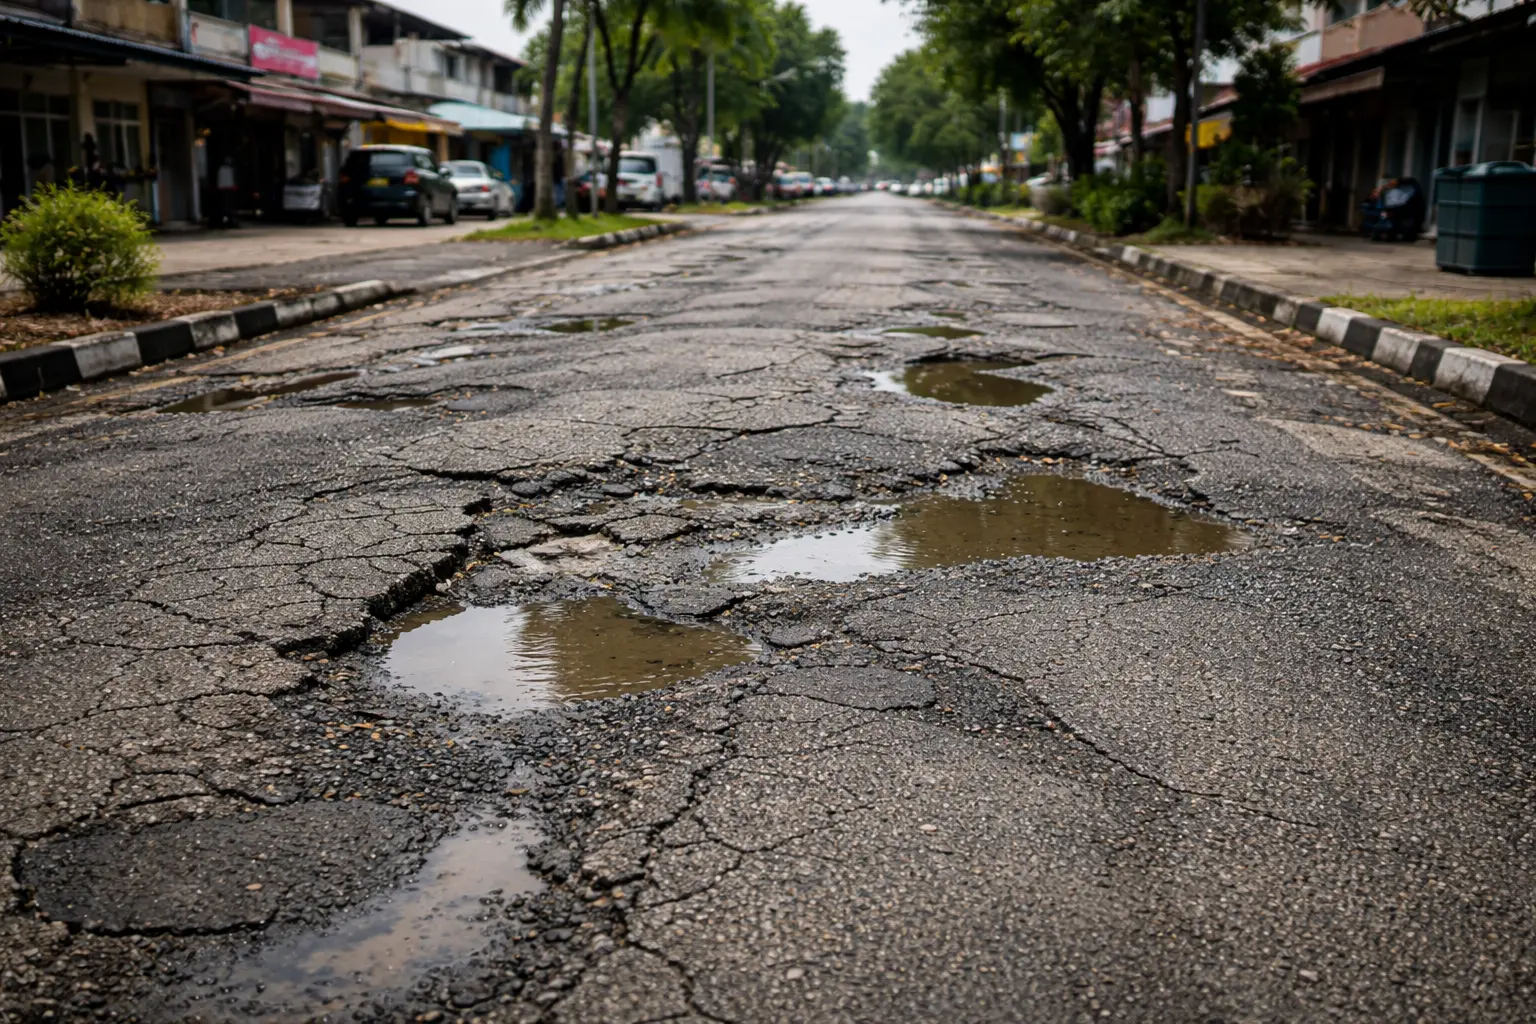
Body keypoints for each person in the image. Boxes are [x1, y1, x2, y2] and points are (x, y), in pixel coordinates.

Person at [215, 155, 238, 228]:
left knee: (225, 206)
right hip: (229, 189)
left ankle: (226, 220)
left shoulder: (221, 169)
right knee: (229, 206)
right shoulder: (231, 169)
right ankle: (229, 220)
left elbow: (219, 180)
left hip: (224, 189)